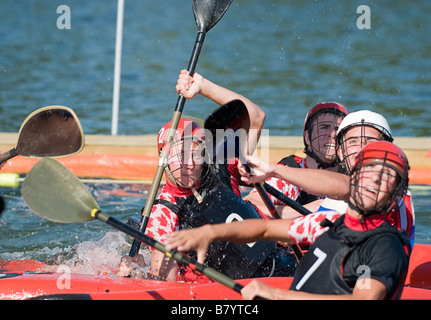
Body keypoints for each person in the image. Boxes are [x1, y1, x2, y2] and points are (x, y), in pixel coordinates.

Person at [165, 141, 412, 300]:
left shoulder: (384, 245)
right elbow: (264, 229)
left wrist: (276, 295)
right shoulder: (329, 224)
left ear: (397, 193)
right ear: (353, 177)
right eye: (369, 172)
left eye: (387, 177)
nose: (375, 182)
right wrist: (210, 232)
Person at [119, 70, 296, 281]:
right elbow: (167, 284)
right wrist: (137, 277)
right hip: (232, 290)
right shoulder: (162, 214)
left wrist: (203, 87)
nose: (191, 163)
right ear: (163, 157)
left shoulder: (221, 165)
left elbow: (255, 116)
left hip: (284, 264)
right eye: (182, 154)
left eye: (196, 152)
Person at [243, 102, 348, 219]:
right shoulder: (289, 174)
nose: (332, 134)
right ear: (307, 137)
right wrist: (310, 210)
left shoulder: (353, 173)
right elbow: (249, 204)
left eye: (338, 129)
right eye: (324, 127)